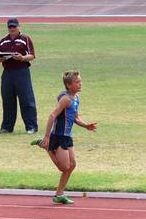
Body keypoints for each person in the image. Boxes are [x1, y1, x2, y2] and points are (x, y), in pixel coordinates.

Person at [31, 71, 97, 204]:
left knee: (72, 165)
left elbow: (76, 118)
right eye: (77, 82)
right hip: (58, 136)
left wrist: (86, 126)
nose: (80, 84)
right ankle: (46, 146)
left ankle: (59, 194)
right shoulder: (65, 99)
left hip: (67, 136)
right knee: (64, 167)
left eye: (80, 81)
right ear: (68, 85)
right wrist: (46, 136)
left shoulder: (76, 98)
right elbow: (52, 116)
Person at [0, 18, 38, 135]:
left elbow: (32, 55)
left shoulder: (25, 39)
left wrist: (22, 57)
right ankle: (7, 127)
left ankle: (31, 126)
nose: (12, 29)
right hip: (7, 72)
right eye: (10, 27)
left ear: (19, 27)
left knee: (26, 99)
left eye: (14, 27)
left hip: (21, 71)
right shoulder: (3, 41)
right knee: (7, 99)